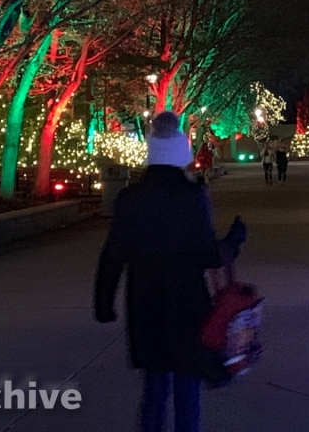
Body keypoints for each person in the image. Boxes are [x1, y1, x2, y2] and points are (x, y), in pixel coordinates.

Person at [95, 111, 246, 432]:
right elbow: (207, 255)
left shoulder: (130, 198)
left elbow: (114, 253)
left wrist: (104, 301)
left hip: (145, 301)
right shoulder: (191, 196)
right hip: (186, 301)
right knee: (187, 390)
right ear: (181, 153)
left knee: (154, 388)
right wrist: (234, 240)